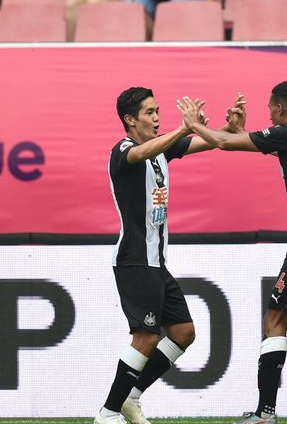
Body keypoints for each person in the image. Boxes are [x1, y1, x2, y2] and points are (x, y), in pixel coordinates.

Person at [181, 81, 287, 424]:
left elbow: (222, 143)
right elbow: (285, 153)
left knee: (275, 320)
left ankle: (265, 413)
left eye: (269, 108)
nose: (268, 114)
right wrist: (244, 131)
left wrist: (192, 124)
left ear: (278, 109)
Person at [96, 87, 226, 424]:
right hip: (134, 260)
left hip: (156, 262)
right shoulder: (122, 151)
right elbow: (140, 154)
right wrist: (184, 128)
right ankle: (108, 413)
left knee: (183, 333)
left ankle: (132, 397)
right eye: (150, 113)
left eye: (158, 111)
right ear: (130, 119)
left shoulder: (161, 151)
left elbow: (210, 141)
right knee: (147, 336)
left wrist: (231, 127)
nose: (157, 118)